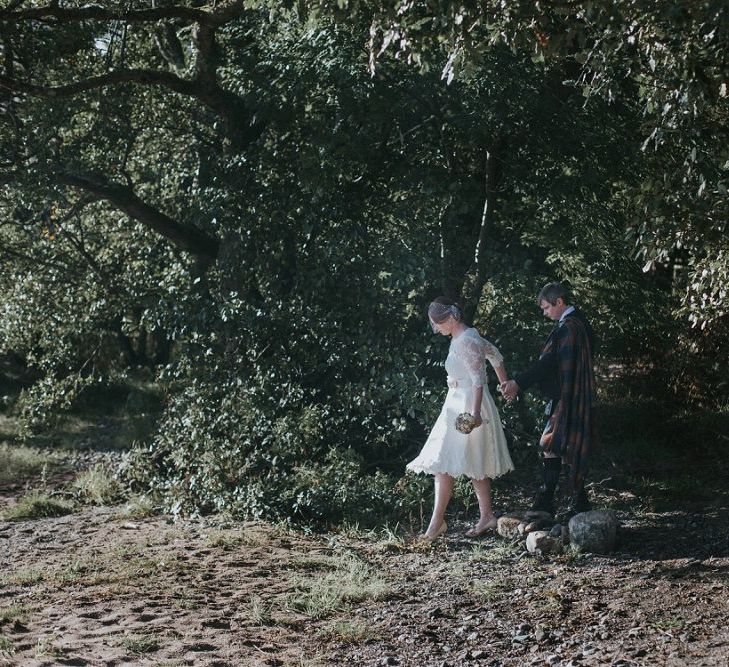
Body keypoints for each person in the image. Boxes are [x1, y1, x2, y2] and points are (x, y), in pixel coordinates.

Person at [407, 297, 514, 541]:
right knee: (465, 462)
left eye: (438, 323)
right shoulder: (466, 336)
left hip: (468, 405)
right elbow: (495, 355)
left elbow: (477, 380)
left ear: (452, 318)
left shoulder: (466, 340)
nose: (437, 329)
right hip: (455, 402)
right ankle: (486, 515)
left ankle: (437, 524)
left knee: (445, 464)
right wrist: (504, 381)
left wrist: (475, 415)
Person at [500, 282, 597, 518]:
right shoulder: (581, 324)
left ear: (559, 302)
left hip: (566, 397)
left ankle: (547, 502)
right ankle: (578, 503)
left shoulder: (569, 328)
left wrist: (518, 383)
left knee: (551, 446)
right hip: (574, 395)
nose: (545, 313)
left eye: (546, 308)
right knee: (563, 447)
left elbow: (548, 365)